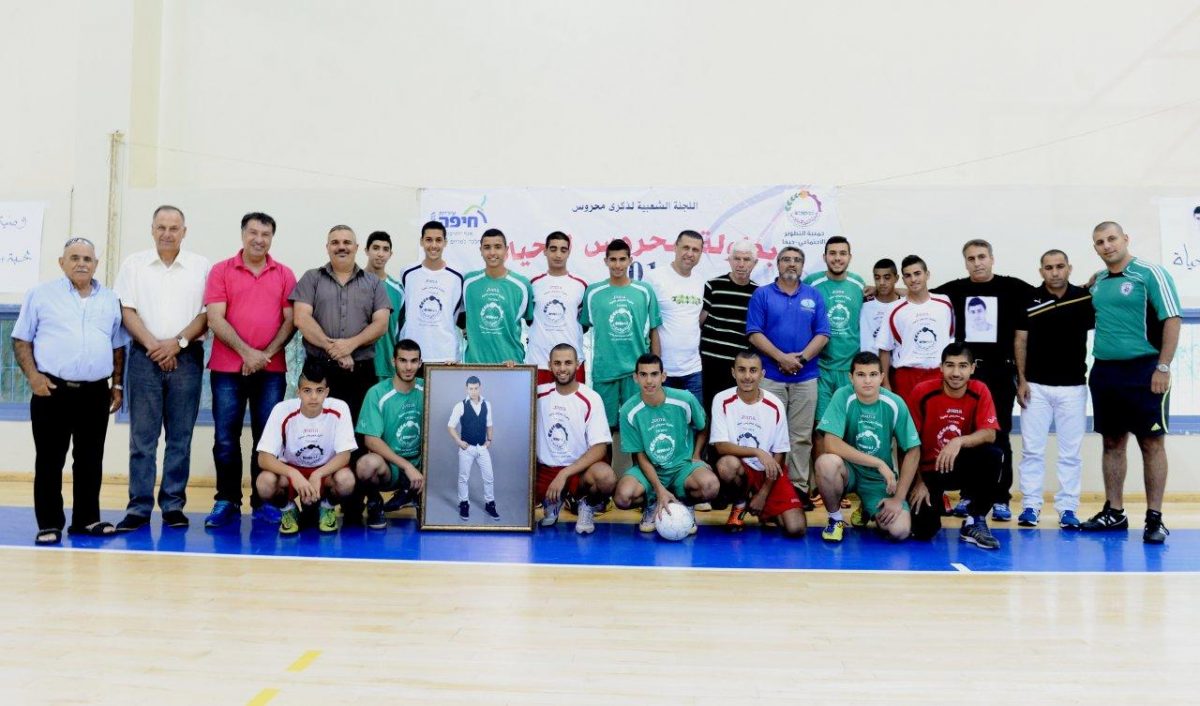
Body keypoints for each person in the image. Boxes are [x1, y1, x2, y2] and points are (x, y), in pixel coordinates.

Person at [12, 237, 127, 544]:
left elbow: (118, 346)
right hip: (52, 391)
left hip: (95, 393)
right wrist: (34, 377)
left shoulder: (110, 299)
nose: (81, 263)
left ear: (96, 264)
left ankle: (86, 520)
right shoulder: (40, 295)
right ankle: (49, 523)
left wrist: (117, 384)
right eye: (74, 258)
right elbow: (21, 339)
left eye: (87, 259)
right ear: (61, 262)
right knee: (50, 460)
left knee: (90, 459)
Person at [1080, 221, 1181, 543]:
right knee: (1112, 443)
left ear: (1125, 239)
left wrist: (1163, 367)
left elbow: (1172, 319)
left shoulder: (1150, 274)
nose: (1107, 245)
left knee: (1151, 443)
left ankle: (1154, 518)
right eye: (1100, 242)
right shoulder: (1098, 282)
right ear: (1095, 248)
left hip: (1145, 370)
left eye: (1112, 239)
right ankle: (1114, 512)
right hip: (1105, 372)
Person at [113, 205, 210, 531]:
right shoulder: (134, 264)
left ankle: (172, 505)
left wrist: (176, 344)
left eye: (174, 228)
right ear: (152, 229)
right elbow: (126, 310)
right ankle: (139, 508)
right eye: (161, 227)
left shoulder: (201, 266)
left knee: (180, 438)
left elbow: (207, 314)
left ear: (184, 231)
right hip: (144, 358)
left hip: (187, 357)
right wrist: (156, 346)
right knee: (142, 439)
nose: (167, 233)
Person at [290, 225, 391, 524]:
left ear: (357, 247)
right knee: (317, 434)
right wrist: (335, 349)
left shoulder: (373, 283)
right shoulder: (311, 278)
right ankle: (316, 501)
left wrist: (350, 345)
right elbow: (301, 318)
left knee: (358, 437)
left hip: (360, 372)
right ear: (327, 247)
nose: (341, 246)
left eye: (347, 242)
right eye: (335, 242)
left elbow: (381, 324)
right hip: (319, 372)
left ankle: (357, 501)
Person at [202, 212, 297, 528]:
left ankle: (263, 501)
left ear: (272, 238)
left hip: (271, 370)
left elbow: (290, 320)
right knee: (225, 437)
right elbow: (215, 318)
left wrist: (264, 356)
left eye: (265, 234)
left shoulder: (284, 274)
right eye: (253, 232)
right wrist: (247, 353)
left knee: (266, 438)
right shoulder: (221, 271)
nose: (259, 239)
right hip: (227, 369)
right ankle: (227, 500)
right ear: (243, 234)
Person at [933, 239, 1035, 522]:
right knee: (968, 434)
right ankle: (970, 495)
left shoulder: (1012, 287)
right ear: (965, 262)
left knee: (999, 436)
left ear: (992, 258)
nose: (977, 263)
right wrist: (883, 290)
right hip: (965, 375)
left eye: (981, 257)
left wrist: (1090, 283)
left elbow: (1050, 290)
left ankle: (1001, 498)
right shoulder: (957, 290)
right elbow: (921, 293)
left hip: (1000, 374)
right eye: (971, 258)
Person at [1013, 250, 1094, 529]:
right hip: (1035, 387)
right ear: (1041, 271)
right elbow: (1020, 341)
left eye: (1060, 266)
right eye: (1049, 267)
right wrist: (1022, 380)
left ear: (1069, 268)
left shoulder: (1084, 298)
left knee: (1070, 454)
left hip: (1073, 388)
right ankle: (1030, 506)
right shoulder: (1029, 299)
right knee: (1032, 451)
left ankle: (1068, 508)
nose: (1055, 272)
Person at [746, 246, 829, 505]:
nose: (791, 264)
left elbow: (823, 334)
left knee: (801, 436)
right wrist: (781, 358)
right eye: (786, 260)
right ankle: (769, 490)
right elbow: (754, 333)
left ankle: (798, 489)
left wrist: (800, 360)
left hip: (806, 377)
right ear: (777, 264)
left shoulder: (814, 295)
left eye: (796, 260)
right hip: (770, 376)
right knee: (768, 436)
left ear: (803, 265)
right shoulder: (762, 294)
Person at [813, 351, 920, 542]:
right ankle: (835, 519)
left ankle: (867, 508)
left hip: (877, 480)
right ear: (851, 377)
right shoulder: (842, 395)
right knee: (825, 463)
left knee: (900, 531)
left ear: (882, 377)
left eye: (873, 374)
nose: (867, 381)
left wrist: (898, 498)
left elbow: (913, 451)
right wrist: (878, 462)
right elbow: (830, 443)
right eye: (861, 374)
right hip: (848, 471)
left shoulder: (895, 403)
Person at [905, 344, 1004, 549]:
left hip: (960, 466)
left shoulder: (980, 390)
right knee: (923, 531)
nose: (956, 373)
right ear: (941, 367)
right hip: (928, 471)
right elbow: (908, 443)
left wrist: (958, 441)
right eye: (950, 365)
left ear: (972, 368)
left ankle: (974, 520)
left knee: (993, 455)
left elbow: (990, 433)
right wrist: (918, 481)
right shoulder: (922, 392)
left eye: (962, 366)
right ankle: (936, 500)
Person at [613, 354, 718, 532]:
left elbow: (703, 426)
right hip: (650, 470)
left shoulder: (684, 399)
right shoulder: (628, 411)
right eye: (643, 374)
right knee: (623, 497)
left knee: (710, 486)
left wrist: (696, 455)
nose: (649, 381)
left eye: (654, 374)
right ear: (635, 377)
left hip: (682, 467)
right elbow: (640, 456)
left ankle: (686, 504)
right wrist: (659, 489)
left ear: (663, 376)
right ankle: (652, 503)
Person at [255, 360, 357, 535]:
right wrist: (293, 474)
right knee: (264, 483)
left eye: (319, 390)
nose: (314, 397)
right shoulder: (282, 410)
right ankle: (288, 510)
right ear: (299, 392)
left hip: (325, 471)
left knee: (347, 480)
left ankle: (327, 507)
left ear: (327, 392)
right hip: (292, 470)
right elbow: (263, 458)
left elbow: (345, 455)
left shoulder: (339, 408)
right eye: (307, 390)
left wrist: (318, 474)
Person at [710, 349, 806, 536]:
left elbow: (780, 452)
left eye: (753, 370)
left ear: (762, 374)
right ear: (733, 372)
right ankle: (740, 504)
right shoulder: (721, 399)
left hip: (769, 471)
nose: (747, 376)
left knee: (796, 529)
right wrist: (758, 452)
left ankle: (763, 507)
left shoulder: (775, 404)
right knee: (726, 465)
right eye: (742, 370)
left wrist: (763, 494)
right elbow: (721, 446)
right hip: (741, 468)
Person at [535, 343, 617, 534]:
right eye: (557, 363)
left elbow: (600, 448)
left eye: (568, 363)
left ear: (578, 365)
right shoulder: (537, 393)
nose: (562, 368)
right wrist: (510, 369)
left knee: (606, 478)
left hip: (577, 472)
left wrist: (564, 474)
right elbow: (510, 391)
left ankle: (586, 505)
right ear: (549, 365)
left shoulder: (591, 398)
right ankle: (551, 502)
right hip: (544, 471)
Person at [581, 239, 661, 429]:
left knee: (637, 425)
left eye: (622, 259)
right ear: (606, 261)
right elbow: (584, 325)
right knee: (602, 428)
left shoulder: (644, 291)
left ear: (630, 260)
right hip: (605, 371)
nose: (618, 265)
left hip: (637, 372)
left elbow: (654, 330)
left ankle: (634, 452)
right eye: (613, 260)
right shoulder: (593, 292)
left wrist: (656, 366)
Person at [354, 339, 425, 530]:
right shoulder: (377, 393)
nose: (408, 367)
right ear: (394, 361)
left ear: (420, 363)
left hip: (422, 465)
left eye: (413, 361)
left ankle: (418, 497)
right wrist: (406, 466)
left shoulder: (428, 388)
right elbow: (371, 440)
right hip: (391, 467)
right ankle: (375, 502)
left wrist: (451, 370)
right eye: (403, 360)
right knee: (365, 465)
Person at [803, 236, 867, 433]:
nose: (837, 258)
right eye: (832, 253)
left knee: (850, 428)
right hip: (821, 368)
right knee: (821, 428)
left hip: (850, 368)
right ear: (824, 257)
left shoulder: (858, 283)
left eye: (842, 253)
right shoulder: (812, 283)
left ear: (850, 257)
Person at [876, 255, 954, 401]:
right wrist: (885, 383)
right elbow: (884, 349)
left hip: (940, 375)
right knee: (909, 417)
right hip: (907, 377)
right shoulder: (894, 309)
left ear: (927, 274)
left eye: (917, 273)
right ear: (903, 279)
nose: (913, 279)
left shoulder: (944, 303)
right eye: (908, 275)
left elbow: (950, 339)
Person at [698, 239, 759, 414]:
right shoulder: (713, 286)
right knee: (708, 411)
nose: (741, 264)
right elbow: (699, 322)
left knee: (733, 412)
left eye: (746, 259)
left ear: (755, 263)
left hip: (738, 367)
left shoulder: (758, 293)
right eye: (737, 258)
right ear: (730, 260)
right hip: (709, 362)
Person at [646, 230, 706, 402]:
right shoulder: (654, 278)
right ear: (675, 247)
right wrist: (654, 365)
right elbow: (647, 322)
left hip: (693, 370)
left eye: (695, 250)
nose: (690, 253)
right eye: (686, 247)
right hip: (663, 370)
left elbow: (697, 320)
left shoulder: (700, 281)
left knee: (696, 417)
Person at [462, 228, 534, 365]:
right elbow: (459, 313)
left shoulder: (522, 285)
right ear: (481, 250)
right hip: (475, 363)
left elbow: (532, 321)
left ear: (506, 250)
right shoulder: (468, 282)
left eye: (498, 247)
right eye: (487, 247)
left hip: (511, 363)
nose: (492, 252)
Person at [526, 232, 588, 384]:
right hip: (539, 362)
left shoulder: (580, 284)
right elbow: (528, 319)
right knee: (537, 401)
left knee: (574, 400)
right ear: (545, 251)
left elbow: (584, 323)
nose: (558, 255)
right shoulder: (532, 284)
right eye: (553, 249)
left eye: (563, 250)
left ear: (569, 252)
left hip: (571, 364)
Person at [399, 221, 464, 363]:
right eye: (429, 240)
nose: (433, 245)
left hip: (446, 356)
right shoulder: (407, 273)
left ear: (445, 242)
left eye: (438, 240)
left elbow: (461, 315)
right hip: (411, 355)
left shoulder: (458, 276)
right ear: (421, 241)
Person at [447, 375, 499, 520]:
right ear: (467, 389)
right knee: (463, 478)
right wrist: (459, 442)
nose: (474, 391)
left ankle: (490, 504)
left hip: (482, 448)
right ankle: (464, 504)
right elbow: (450, 426)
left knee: (489, 477)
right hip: (467, 448)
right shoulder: (460, 405)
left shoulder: (487, 404)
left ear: (479, 388)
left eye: (476, 388)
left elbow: (489, 424)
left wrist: (489, 440)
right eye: (471, 389)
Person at [363, 230, 405, 380]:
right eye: (376, 248)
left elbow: (401, 331)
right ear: (366, 251)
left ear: (390, 254)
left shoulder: (398, 290)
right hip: (356, 365)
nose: (380, 254)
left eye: (385, 249)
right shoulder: (352, 283)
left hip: (385, 366)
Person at [859, 258, 900, 355]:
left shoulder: (904, 304)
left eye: (887, 277)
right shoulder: (863, 302)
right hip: (868, 361)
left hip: (897, 362)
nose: (881, 282)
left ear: (896, 278)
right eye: (877, 278)